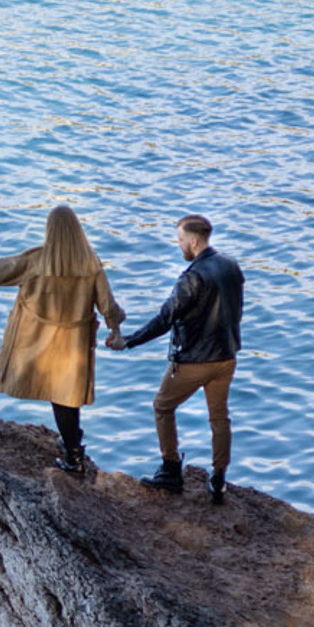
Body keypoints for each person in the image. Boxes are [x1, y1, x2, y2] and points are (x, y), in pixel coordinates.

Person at [0, 205, 124, 474]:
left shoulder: (38, 260)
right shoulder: (91, 262)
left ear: (50, 230)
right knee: (67, 396)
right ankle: (72, 446)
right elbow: (107, 304)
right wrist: (115, 330)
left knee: (59, 396)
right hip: (74, 341)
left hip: (42, 340)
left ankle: (73, 458)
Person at [107, 215, 244, 503]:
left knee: (162, 406)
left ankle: (170, 471)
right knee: (219, 418)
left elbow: (165, 318)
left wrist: (129, 340)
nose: (178, 244)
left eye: (180, 240)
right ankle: (218, 480)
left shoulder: (192, 277)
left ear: (193, 241)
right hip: (227, 357)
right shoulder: (231, 266)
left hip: (195, 361)